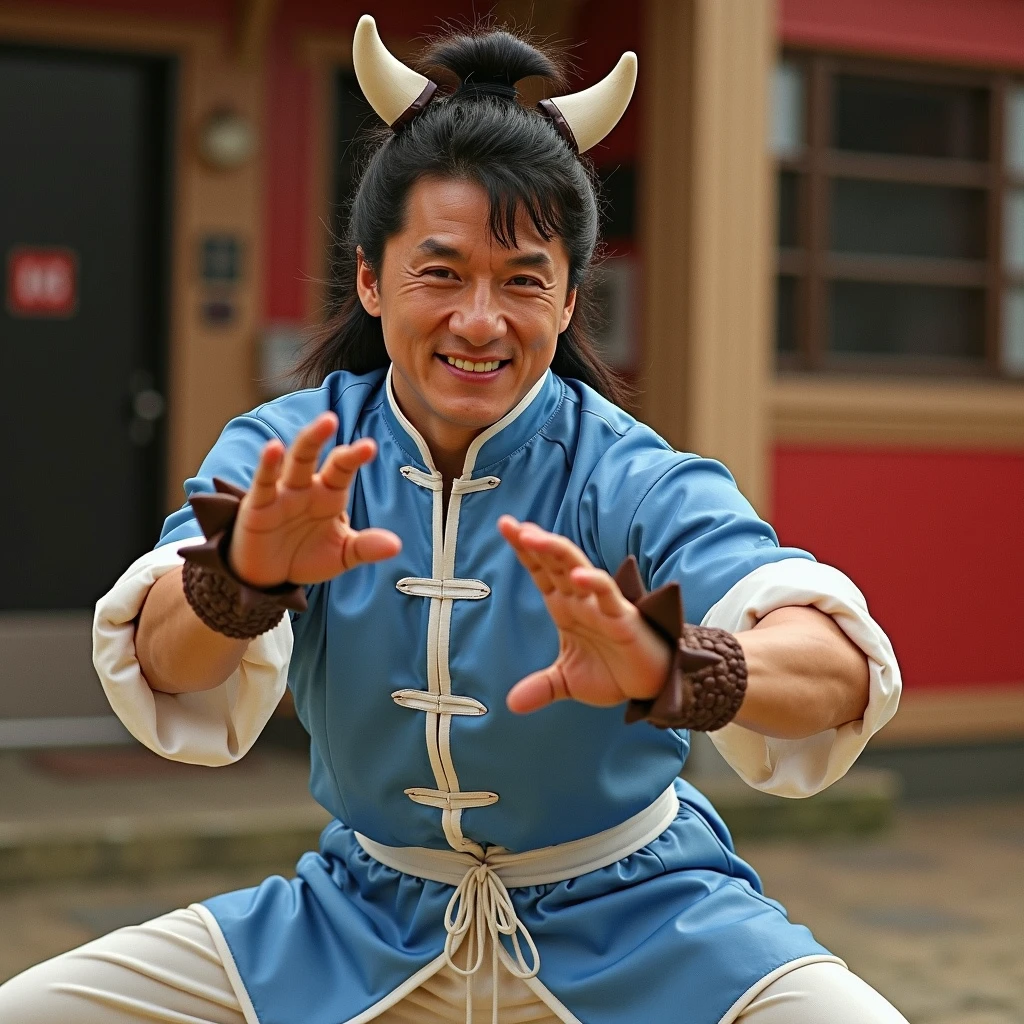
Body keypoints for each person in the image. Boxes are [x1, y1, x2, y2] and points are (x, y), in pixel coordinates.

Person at [0, 16, 907, 1024]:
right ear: (369, 278)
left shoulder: (628, 473)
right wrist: (241, 581)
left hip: (645, 921)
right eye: (441, 272)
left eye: (522, 280)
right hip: (356, 921)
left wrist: (676, 668)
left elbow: (831, 667)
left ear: (567, 301)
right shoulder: (292, 451)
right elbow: (165, 663)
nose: (480, 320)